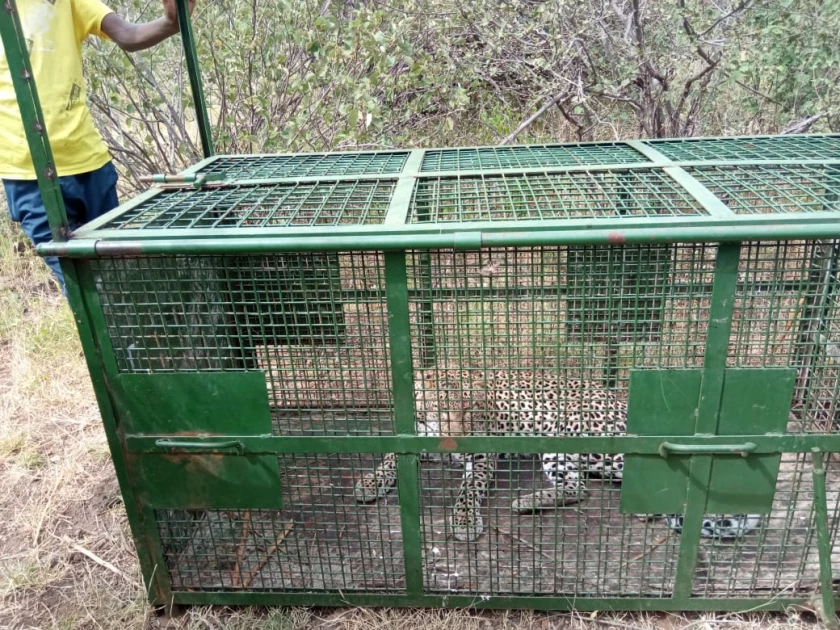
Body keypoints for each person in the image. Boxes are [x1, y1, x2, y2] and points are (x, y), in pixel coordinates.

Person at [0, 0, 196, 292]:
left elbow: (128, 35)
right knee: (86, 291)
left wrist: (172, 21)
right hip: (30, 177)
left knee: (116, 278)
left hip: (89, 164)